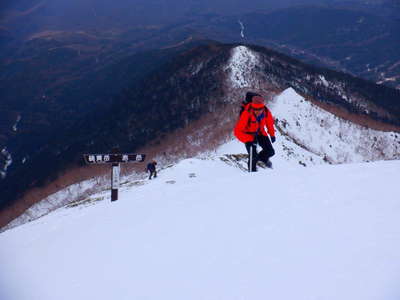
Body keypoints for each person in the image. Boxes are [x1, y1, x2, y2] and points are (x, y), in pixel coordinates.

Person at [234, 94, 276, 171]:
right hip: (249, 135)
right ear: (252, 107)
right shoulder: (247, 113)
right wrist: (248, 140)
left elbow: (269, 123)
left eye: (260, 109)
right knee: (253, 157)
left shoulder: (266, 111)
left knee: (270, 152)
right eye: (255, 109)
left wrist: (272, 134)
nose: (258, 111)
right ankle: (252, 174)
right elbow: (237, 131)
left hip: (260, 133)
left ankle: (261, 160)